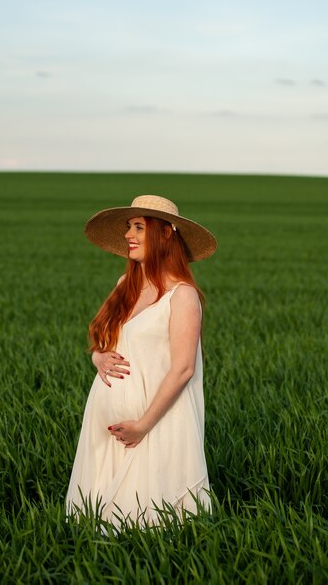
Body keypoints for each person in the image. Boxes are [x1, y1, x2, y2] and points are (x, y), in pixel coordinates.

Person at [66, 195, 217, 526]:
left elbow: (183, 369)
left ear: (165, 234)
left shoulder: (183, 296)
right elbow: (102, 342)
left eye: (138, 227)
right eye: (128, 228)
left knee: (149, 523)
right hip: (105, 427)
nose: (128, 236)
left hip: (155, 423)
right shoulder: (125, 285)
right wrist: (98, 358)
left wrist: (143, 426)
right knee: (95, 519)